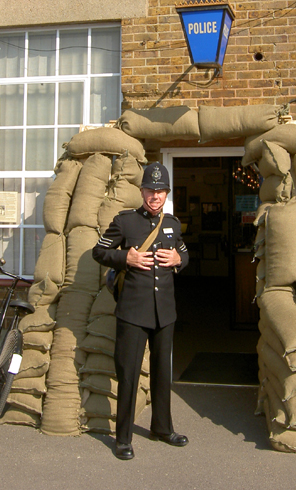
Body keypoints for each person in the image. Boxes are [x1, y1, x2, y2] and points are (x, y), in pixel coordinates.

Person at [92, 162, 189, 460]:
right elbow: (99, 251)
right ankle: (123, 438)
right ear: (142, 191)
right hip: (133, 312)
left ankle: (162, 427)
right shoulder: (125, 222)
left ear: (166, 193)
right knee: (129, 375)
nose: (155, 196)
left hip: (165, 313)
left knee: (162, 374)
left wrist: (178, 259)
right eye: (150, 190)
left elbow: (184, 253)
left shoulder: (172, 224)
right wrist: (126, 258)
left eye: (160, 191)